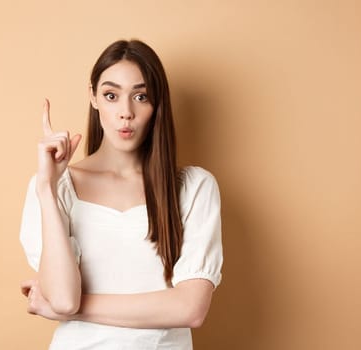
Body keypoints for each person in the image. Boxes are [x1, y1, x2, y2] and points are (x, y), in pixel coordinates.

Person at [18, 39, 223, 349]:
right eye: (111, 95)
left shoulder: (193, 187)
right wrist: (47, 189)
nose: (126, 112)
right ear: (93, 97)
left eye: (140, 96)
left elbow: (190, 308)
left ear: (157, 104)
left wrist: (74, 310)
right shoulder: (54, 188)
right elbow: (62, 298)